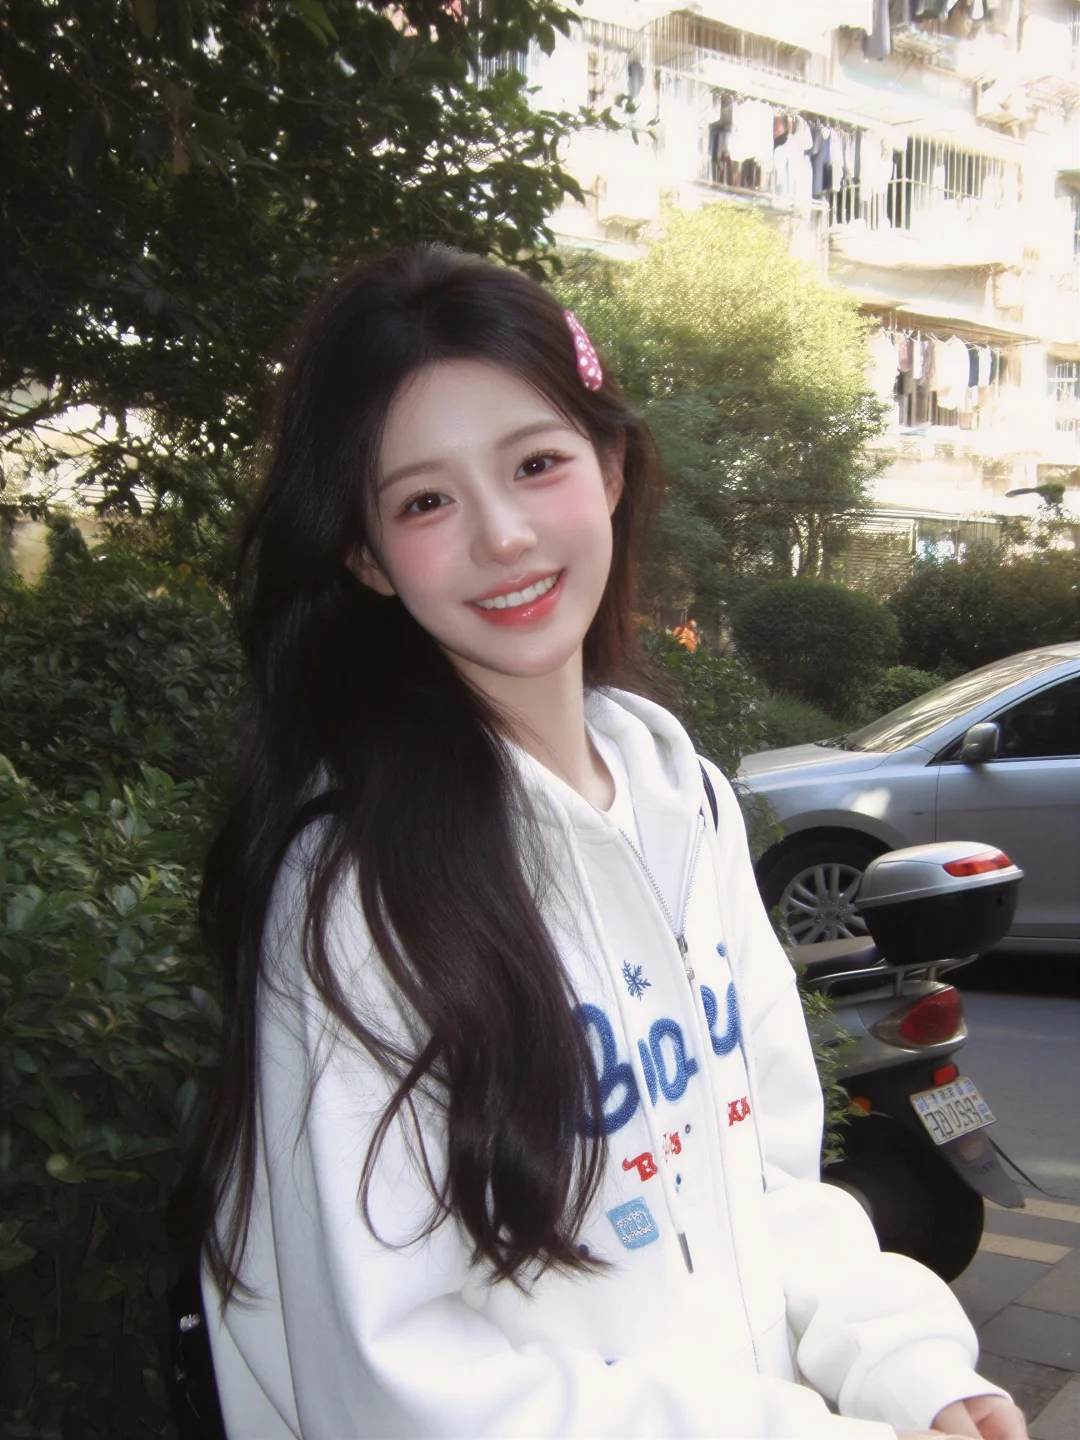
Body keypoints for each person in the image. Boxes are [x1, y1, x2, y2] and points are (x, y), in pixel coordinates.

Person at [187, 245, 1027, 1440]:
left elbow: (762, 1178)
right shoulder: (358, 896)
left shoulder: (689, 806)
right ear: (366, 556)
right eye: (425, 501)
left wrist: (913, 1368)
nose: (504, 536)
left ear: (612, 466)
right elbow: (399, 1383)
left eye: (536, 463)